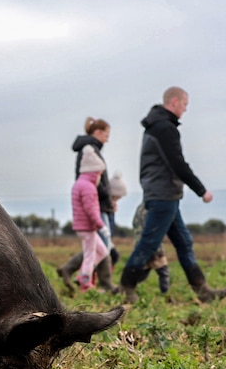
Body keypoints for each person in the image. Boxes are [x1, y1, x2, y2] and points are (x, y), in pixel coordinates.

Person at [119, 87, 226, 304]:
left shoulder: (157, 125)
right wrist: (201, 190)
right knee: (149, 243)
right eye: (185, 105)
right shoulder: (164, 128)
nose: (185, 110)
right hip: (163, 193)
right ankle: (126, 287)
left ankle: (203, 290)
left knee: (184, 242)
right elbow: (177, 163)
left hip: (165, 193)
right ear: (175, 102)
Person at [57, 117, 118, 292]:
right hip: (95, 210)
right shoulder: (89, 151)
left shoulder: (91, 151)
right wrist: (107, 200)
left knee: (99, 248)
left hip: (96, 208)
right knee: (100, 247)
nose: (108, 138)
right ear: (98, 133)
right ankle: (98, 282)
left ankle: (78, 273)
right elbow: (97, 186)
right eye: (107, 134)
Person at [70, 145, 109, 291]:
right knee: (90, 255)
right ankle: (85, 282)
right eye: (99, 174)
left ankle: (83, 274)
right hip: (88, 227)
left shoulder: (79, 184)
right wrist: (101, 226)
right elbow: (91, 210)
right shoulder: (88, 187)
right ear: (93, 172)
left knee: (102, 251)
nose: (100, 177)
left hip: (83, 226)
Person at [132, 202, 171, 294]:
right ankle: (165, 293)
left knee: (143, 272)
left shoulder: (140, 208)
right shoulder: (154, 207)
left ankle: (127, 289)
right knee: (163, 272)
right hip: (153, 244)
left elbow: (134, 223)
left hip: (139, 244)